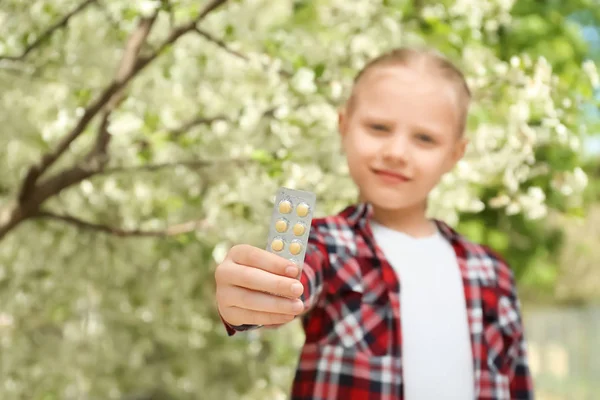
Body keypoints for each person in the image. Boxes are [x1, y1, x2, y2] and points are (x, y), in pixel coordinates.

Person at [214, 47, 534, 400]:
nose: (397, 152)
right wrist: (247, 298)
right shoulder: (326, 244)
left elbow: (517, 383)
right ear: (344, 126)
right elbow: (293, 279)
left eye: (425, 138)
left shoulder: (493, 274)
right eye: (378, 127)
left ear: (454, 154)